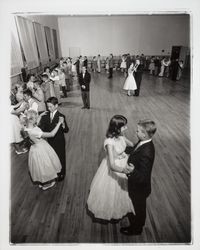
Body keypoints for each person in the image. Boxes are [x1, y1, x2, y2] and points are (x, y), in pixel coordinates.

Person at [87, 115, 135, 220]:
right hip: (115, 168)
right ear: (117, 128)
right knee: (112, 191)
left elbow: (131, 145)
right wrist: (125, 170)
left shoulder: (121, 136)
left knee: (123, 190)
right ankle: (111, 211)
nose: (126, 128)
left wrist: (123, 149)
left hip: (123, 162)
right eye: (124, 126)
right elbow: (112, 165)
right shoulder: (109, 142)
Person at [120, 119, 157, 235]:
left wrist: (132, 171)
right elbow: (134, 150)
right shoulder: (143, 142)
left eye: (137, 131)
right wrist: (121, 149)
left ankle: (136, 229)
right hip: (137, 186)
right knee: (137, 206)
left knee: (139, 208)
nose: (135, 132)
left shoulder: (147, 152)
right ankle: (136, 223)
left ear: (144, 134)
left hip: (140, 188)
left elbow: (143, 177)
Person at [24, 110, 64, 190]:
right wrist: (59, 123)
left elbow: (35, 123)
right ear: (32, 120)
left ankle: (42, 183)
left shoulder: (27, 127)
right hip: (41, 148)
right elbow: (51, 134)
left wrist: (40, 115)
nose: (37, 120)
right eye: (36, 118)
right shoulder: (34, 131)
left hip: (34, 148)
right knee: (45, 166)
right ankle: (46, 185)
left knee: (40, 167)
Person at [38, 97, 69, 181]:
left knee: (60, 157)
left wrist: (63, 125)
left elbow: (66, 130)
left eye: (51, 106)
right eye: (48, 106)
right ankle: (55, 171)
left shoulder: (61, 116)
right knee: (52, 157)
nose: (49, 108)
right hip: (50, 141)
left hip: (59, 141)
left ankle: (62, 173)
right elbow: (43, 128)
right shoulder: (45, 116)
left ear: (56, 106)